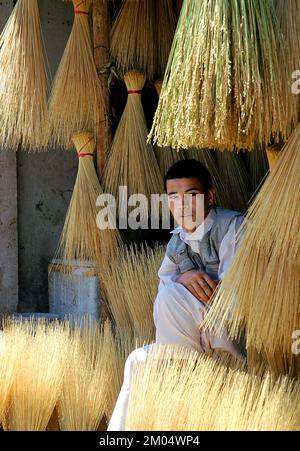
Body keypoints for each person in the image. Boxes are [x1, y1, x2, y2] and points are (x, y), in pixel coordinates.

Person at [108, 159, 245, 431]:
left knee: (171, 297)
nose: (182, 205)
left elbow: (234, 297)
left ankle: (182, 388)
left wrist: (182, 289)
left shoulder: (233, 228)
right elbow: (164, 298)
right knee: (136, 361)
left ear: (210, 195)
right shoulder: (177, 242)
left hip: (226, 333)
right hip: (189, 337)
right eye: (174, 197)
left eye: (191, 195)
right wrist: (184, 278)